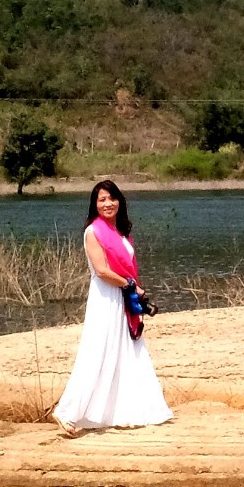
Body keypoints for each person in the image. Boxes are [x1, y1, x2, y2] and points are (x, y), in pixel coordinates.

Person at [50, 178, 173, 437]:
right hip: (106, 298)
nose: (108, 203)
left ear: (120, 201)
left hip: (123, 298)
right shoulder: (93, 232)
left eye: (112, 198)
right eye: (102, 199)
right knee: (98, 352)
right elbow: (102, 271)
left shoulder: (121, 231)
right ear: (95, 205)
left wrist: (132, 290)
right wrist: (131, 285)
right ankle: (67, 412)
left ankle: (124, 411)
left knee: (128, 351)